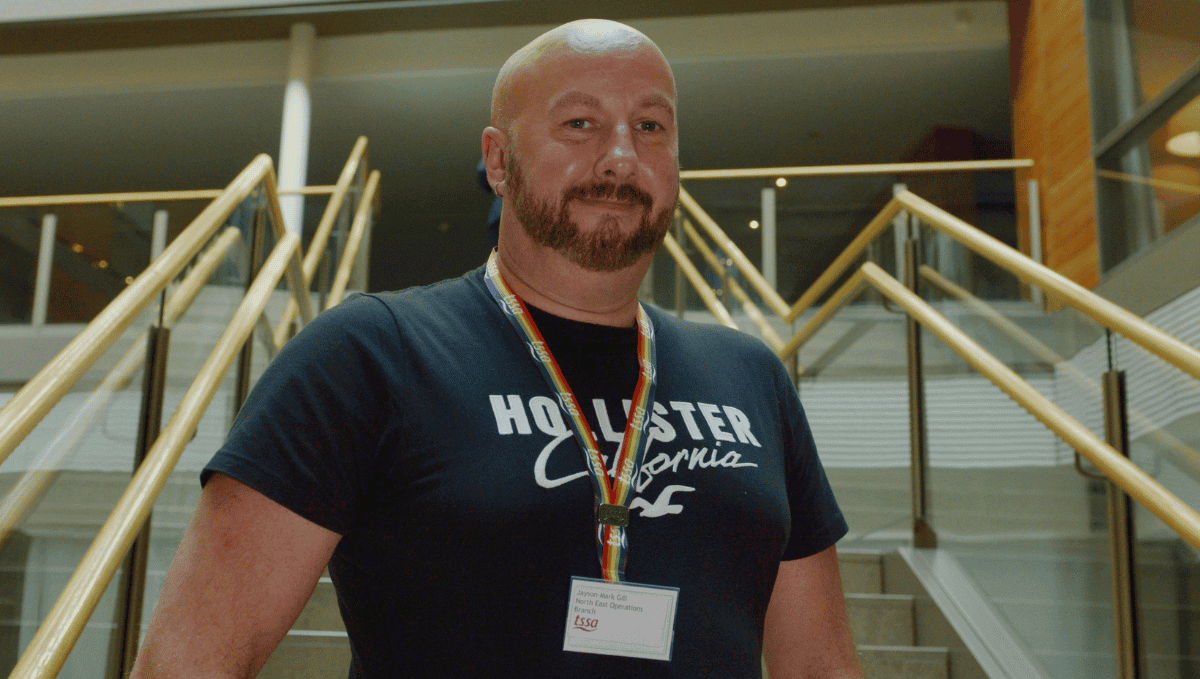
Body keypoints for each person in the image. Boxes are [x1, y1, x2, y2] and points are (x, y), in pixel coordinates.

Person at [131, 19, 862, 679]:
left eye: (650, 126)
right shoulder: (368, 356)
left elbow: (819, 665)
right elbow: (190, 660)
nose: (619, 157)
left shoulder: (752, 377)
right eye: (579, 122)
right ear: (498, 159)